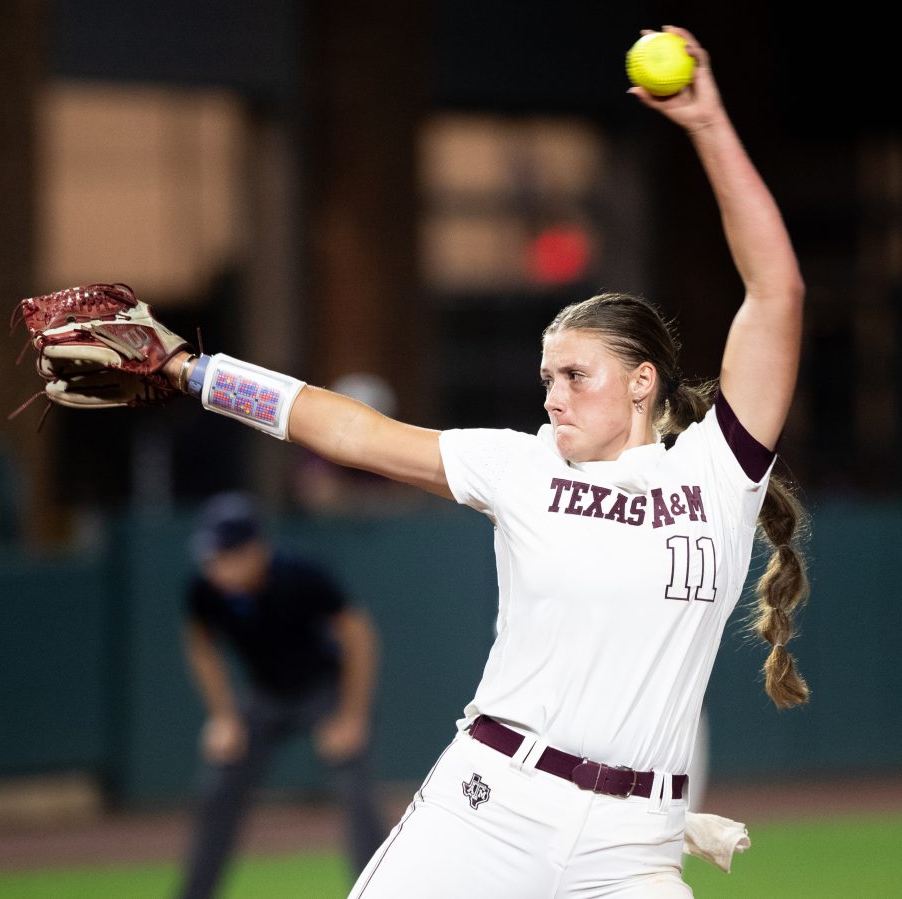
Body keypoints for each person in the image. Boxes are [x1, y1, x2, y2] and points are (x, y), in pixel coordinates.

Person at [151, 23, 806, 897]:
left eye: (577, 374)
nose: (553, 394)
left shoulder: (716, 476)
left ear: (644, 381)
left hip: (633, 848)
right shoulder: (522, 466)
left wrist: (709, 124)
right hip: (489, 806)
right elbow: (352, 432)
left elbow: (777, 292)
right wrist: (195, 372)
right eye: (546, 377)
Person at [175, 491, 388, 899]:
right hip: (264, 697)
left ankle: (376, 892)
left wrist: (351, 717)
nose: (216, 566)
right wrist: (222, 716)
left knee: (356, 794)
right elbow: (199, 643)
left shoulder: (300, 575)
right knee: (218, 789)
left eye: (227, 555)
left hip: (324, 693)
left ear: (254, 550)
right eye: (213, 557)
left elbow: (359, 635)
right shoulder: (206, 588)